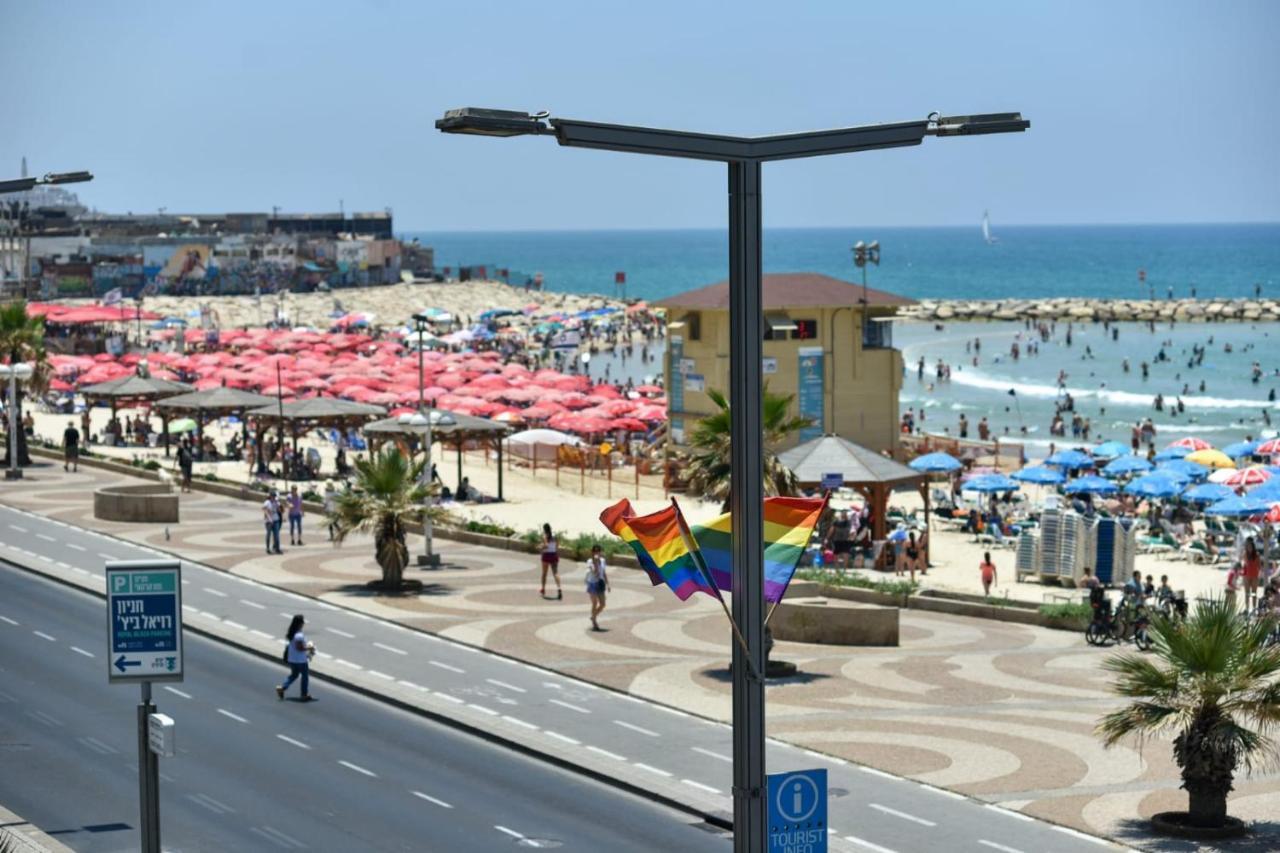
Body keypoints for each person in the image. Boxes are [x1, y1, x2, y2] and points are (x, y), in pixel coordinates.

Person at [276, 614, 315, 701]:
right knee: (305, 677)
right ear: (299, 624)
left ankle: (282, 688)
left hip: (292, 659)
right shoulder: (299, 635)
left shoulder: (292, 633)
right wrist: (310, 647)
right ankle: (304, 694)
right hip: (300, 660)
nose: (303, 625)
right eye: (302, 623)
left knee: (294, 675)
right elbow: (300, 648)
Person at [585, 544, 610, 630]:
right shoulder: (589, 561)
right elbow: (595, 572)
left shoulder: (602, 560)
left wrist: (608, 584)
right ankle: (594, 622)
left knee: (603, 604)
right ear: (592, 552)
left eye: (598, 551)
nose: (597, 552)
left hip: (600, 583)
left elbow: (603, 572)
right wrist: (595, 562)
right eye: (595, 551)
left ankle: (593, 616)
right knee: (595, 603)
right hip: (592, 583)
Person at [540, 523, 562, 599]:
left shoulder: (545, 536)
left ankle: (543, 588)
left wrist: (541, 547)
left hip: (546, 555)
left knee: (544, 574)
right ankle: (559, 589)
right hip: (554, 555)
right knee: (555, 573)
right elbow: (557, 546)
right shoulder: (555, 536)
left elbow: (546, 545)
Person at [1241, 537, 1262, 610]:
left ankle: (1253, 608)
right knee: (1247, 593)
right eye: (1248, 546)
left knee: (1254, 593)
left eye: (1250, 547)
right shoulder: (1245, 553)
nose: (1249, 548)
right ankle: (1246, 608)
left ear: (1253, 547)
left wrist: (1259, 575)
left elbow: (1259, 566)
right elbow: (1244, 563)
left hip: (1254, 575)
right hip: (1246, 575)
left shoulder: (1257, 554)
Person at [263, 489, 283, 554]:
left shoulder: (276, 502)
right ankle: (268, 548)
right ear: (270, 496)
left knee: (276, 535)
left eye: (275, 496)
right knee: (268, 534)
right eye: (273, 496)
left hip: (276, 520)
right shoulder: (267, 502)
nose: (274, 497)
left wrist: (279, 505)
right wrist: (269, 518)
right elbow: (265, 511)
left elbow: (280, 511)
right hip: (269, 521)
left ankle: (277, 548)